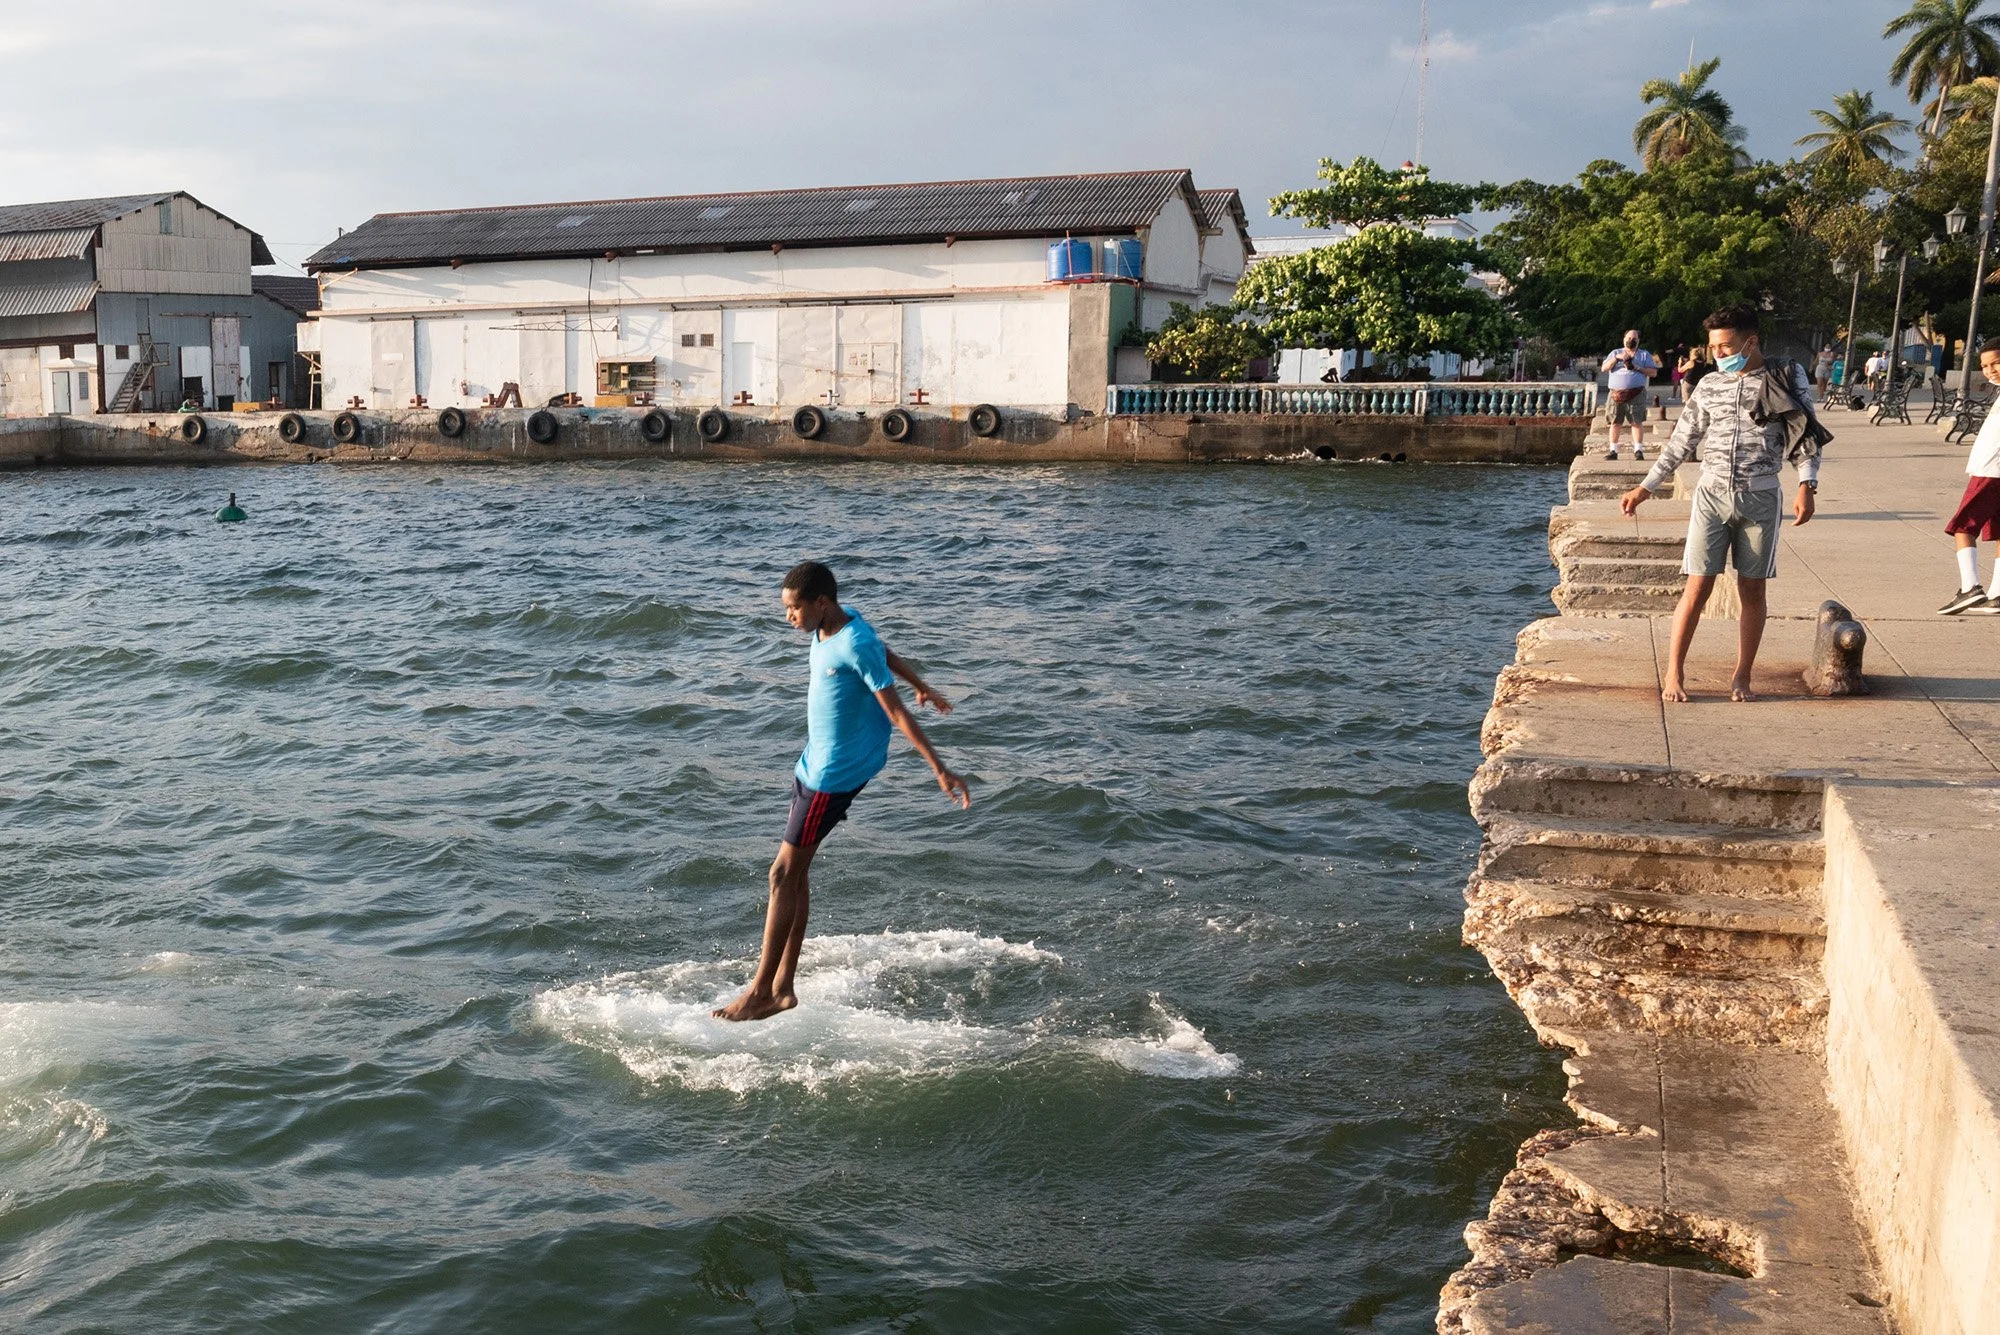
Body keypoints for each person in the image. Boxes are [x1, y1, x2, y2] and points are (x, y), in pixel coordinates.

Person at [712, 561, 971, 1022]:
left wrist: (940, 769)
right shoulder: (841, 621)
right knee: (797, 873)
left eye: (794, 609)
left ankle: (759, 992)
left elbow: (894, 710)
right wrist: (922, 684)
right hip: (812, 763)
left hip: (832, 776)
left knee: (780, 875)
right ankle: (784, 988)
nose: (789, 618)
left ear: (820, 602)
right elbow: (884, 650)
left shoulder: (853, 639)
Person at [1620, 304, 1827, 702]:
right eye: (1714, 348)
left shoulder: (1784, 375)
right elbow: (1682, 440)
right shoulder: (1710, 385)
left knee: (1752, 590)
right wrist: (1645, 487)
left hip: (1761, 496)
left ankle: (1742, 676)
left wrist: (1807, 485)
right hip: (1711, 495)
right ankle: (1674, 673)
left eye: (1727, 346)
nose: (1720, 355)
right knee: (1697, 586)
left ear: (1752, 342)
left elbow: (1806, 433)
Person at [1939, 336, 2000, 614]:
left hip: (1990, 471)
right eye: (1986, 366)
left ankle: (1970, 587)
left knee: (1963, 526)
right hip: (1992, 470)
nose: (1991, 371)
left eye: (1996, 363)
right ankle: (1997, 594)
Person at [1600, 330, 1660, 461]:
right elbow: (1604, 368)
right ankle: (1613, 451)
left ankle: (1638, 450)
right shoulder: (1615, 353)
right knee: (1615, 422)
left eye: (1634, 338)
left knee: (1636, 421)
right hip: (1616, 393)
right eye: (1628, 338)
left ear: (1638, 340)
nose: (1631, 340)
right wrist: (1617, 359)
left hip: (1636, 393)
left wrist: (1637, 367)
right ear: (1623, 339)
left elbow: (1653, 373)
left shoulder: (1644, 355)